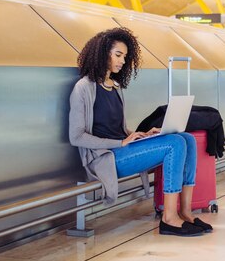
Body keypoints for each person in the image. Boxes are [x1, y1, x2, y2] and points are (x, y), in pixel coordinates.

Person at [69, 27, 211, 237]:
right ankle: (169, 219)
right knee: (175, 143)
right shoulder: (83, 88)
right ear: (102, 53)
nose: (122, 61)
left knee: (187, 138)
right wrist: (122, 143)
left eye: (125, 57)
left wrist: (140, 134)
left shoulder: (115, 86)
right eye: (118, 55)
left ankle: (185, 211)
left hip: (123, 150)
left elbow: (117, 128)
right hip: (106, 158)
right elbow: (76, 136)